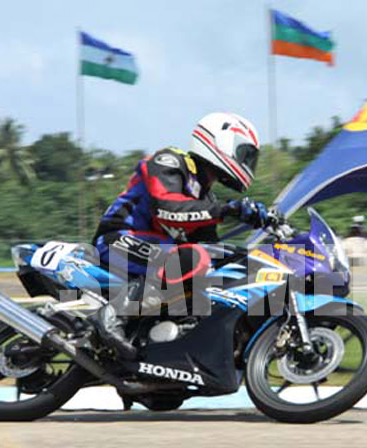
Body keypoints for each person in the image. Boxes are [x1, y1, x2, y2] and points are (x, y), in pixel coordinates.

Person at [91, 112, 269, 359]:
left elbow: (210, 247)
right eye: (244, 153)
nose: (247, 162)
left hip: (156, 251)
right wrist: (229, 209)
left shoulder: (205, 197)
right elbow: (168, 209)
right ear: (220, 141)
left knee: (225, 262)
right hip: (117, 240)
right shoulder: (170, 162)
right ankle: (114, 316)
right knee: (192, 258)